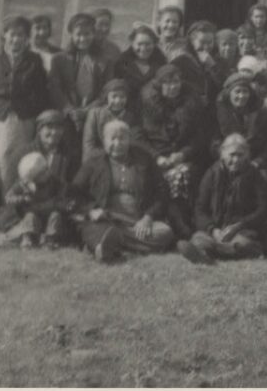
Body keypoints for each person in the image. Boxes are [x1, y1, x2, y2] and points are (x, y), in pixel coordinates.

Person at [0, 14, 49, 240]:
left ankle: (11, 220)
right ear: (4, 35)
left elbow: (41, 95)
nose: (16, 40)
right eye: (13, 34)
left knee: (14, 169)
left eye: (22, 36)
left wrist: (38, 124)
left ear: (27, 39)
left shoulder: (34, 61)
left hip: (22, 121)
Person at [70, 120, 175, 262]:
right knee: (90, 226)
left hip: (137, 221)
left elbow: (162, 191)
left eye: (122, 138)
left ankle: (111, 245)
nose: (117, 143)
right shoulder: (93, 163)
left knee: (165, 233)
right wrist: (90, 210)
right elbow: (73, 192)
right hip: (107, 219)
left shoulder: (144, 159)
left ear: (130, 139)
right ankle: (117, 244)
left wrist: (148, 217)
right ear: (104, 140)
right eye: (112, 138)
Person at [178, 134, 267, 264]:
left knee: (244, 243)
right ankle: (215, 250)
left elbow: (263, 209)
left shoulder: (255, 175)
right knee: (200, 239)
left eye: (240, 155)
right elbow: (200, 208)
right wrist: (213, 229)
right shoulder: (212, 173)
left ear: (247, 155)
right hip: (216, 230)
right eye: (232, 155)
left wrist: (240, 225)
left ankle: (213, 251)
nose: (236, 160)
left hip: (242, 231)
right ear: (223, 154)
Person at [138, 63, 207, 237]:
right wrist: (156, 157)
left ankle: (181, 221)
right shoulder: (147, 104)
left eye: (176, 82)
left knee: (183, 173)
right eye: (168, 83)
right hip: (154, 156)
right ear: (159, 85)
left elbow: (200, 136)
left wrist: (183, 154)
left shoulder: (191, 102)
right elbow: (138, 135)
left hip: (182, 156)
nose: (173, 86)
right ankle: (172, 223)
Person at [48, 12, 111, 153]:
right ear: (71, 34)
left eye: (87, 34)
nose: (83, 39)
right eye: (78, 34)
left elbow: (106, 91)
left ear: (93, 34)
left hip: (94, 115)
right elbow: (55, 88)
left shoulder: (104, 60)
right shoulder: (59, 59)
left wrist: (87, 111)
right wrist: (70, 110)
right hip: (67, 116)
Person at [0, 151, 71, 250]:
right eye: (41, 175)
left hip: (49, 212)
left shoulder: (55, 182)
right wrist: (22, 199)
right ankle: (27, 238)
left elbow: (63, 195)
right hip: (33, 213)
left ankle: (50, 239)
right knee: (30, 217)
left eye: (46, 170)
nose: (46, 174)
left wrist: (61, 203)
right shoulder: (25, 185)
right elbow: (9, 197)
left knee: (55, 215)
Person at [214, 72, 267, 174]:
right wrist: (228, 159)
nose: (241, 96)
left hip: (254, 163)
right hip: (228, 162)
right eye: (237, 91)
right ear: (229, 93)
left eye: (245, 91)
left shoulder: (259, 114)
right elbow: (214, 143)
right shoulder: (218, 114)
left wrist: (258, 162)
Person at [113, 23, 167, 109]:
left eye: (148, 44)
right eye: (139, 44)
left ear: (154, 44)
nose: (143, 48)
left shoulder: (162, 63)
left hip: (154, 111)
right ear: (132, 43)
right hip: (128, 110)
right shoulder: (122, 63)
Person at [81, 78, 137, 161]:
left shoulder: (130, 117)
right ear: (106, 97)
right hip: (99, 160)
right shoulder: (95, 114)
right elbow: (88, 148)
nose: (118, 101)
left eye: (122, 97)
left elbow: (133, 144)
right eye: (114, 96)